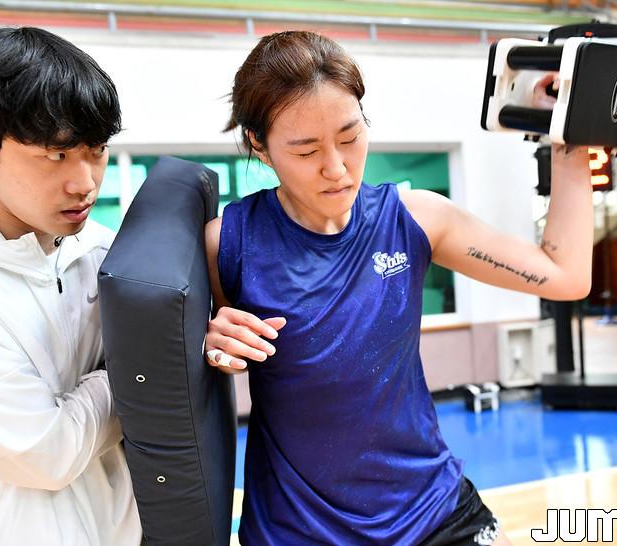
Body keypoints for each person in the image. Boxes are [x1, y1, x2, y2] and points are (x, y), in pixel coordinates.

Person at [204, 31, 591, 545]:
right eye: (306, 150)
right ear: (259, 144)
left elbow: (565, 276)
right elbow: (188, 371)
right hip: (298, 532)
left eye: (350, 137)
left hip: (434, 515)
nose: (336, 168)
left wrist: (570, 136)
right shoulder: (228, 244)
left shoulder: (415, 219)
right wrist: (208, 343)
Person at [0, 27, 141, 545]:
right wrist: (146, 368)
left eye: (97, 150)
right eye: (56, 155)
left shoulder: (106, 253)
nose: (85, 182)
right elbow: (44, 453)